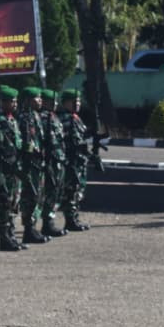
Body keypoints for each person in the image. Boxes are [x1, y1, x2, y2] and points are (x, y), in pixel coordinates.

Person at [0, 86, 25, 252]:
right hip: (4, 167)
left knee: (14, 202)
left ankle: (11, 235)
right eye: (12, 101)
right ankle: (4, 237)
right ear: (3, 102)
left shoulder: (12, 119)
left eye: (16, 101)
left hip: (14, 166)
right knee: (4, 202)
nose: (15, 104)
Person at [57, 90, 94, 231]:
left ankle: (74, 218)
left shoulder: (75, 118)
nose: (77, 104)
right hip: (71, 161)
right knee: (71, 191)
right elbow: (73, 142)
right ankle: (70, 220)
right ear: (66, 102)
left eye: (78, 101)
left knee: (77, 190)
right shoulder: (66, 119)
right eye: (74, 101)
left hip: (79, 161)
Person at [17, 87, 48, 244]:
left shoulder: (36, 116)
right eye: (37, 97)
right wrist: (31, 152)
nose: (40, 100)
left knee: (38, 195)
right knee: (30, 195)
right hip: (29, 163)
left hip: (37, 163)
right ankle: (28, 229)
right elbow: (24, 141)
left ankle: (33, 227)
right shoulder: (24, 117)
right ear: (28, 100)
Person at [40, 90, 68, 237]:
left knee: (56, 191)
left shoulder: (54, 117)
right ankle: (47, 224)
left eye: (56, 101)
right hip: (49, 161)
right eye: (52, 102)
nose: (55, 104)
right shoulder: (43, 118)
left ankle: (50, 221)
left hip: (58, 160)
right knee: (48, 193)